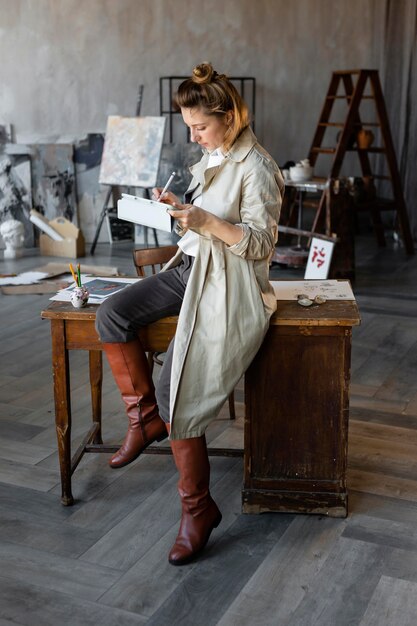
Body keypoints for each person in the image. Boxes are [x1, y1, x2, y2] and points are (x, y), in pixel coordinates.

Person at [95, 62, 284, 566]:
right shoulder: (217, 155)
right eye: (189, 128)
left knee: (179, 388)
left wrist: (206, 220)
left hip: (229, 285)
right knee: (111, 315)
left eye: (200, 127)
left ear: (229, 116)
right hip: (191, 270)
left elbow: (261, 244)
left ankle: (197, 510)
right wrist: (181, 209)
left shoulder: (257, 167)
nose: (195, 137)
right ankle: (144, 421)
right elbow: (206, 226)